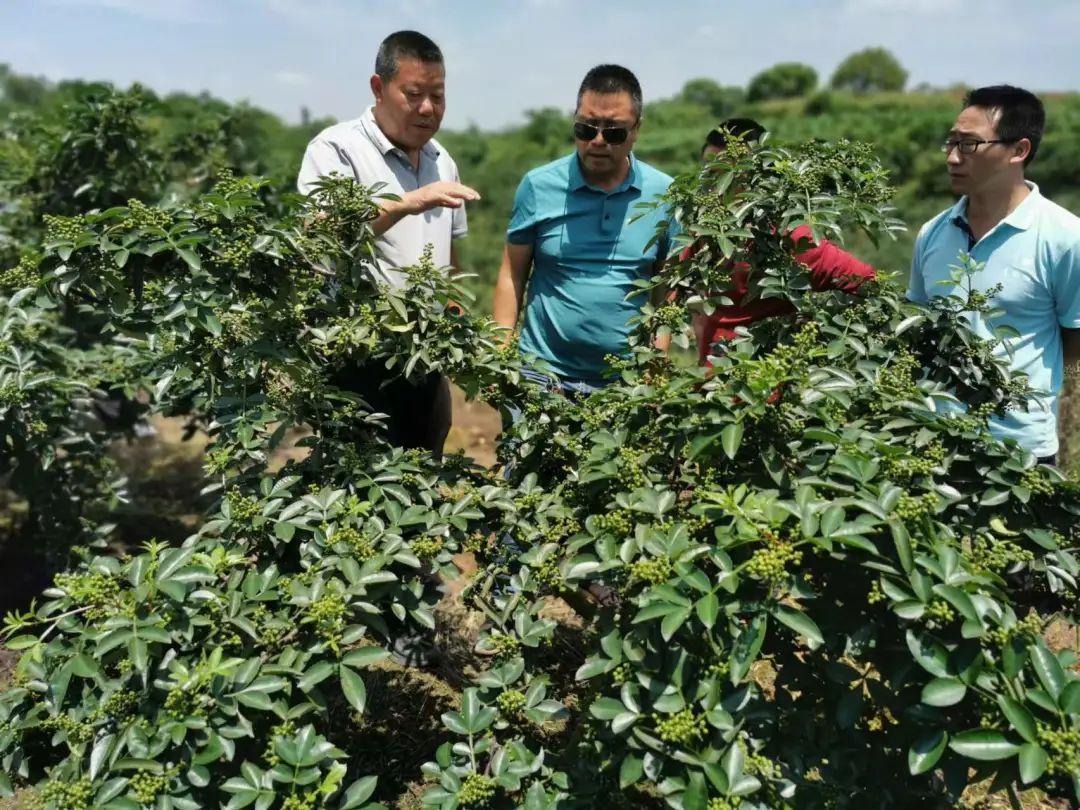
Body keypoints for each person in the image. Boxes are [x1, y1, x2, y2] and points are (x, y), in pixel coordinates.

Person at [297, 30, 479, 455]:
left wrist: (454, 311)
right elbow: (321, 236)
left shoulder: (442, 160)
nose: (429, 109)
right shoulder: (337, 150)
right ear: (378, 88)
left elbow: (449, 259)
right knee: (358, 485)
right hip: (356, 358)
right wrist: (407, 203)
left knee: (421, 475)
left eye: (438, 95)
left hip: (424, 357)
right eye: (414, 94)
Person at [907, 86, 1080, 464]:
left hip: (1019, 455)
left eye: (969, 145)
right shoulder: (933, 233)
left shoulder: (1065, 238)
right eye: (950, 143)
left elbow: (1073, 337)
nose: (953, 157)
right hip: (933, 443)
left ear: (1019, 151)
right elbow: (918, 329)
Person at [492, 64, 677, 396]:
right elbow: (512, 273)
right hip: (541, 376)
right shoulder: (539, 186)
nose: (598, 141)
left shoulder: (664, 194)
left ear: (637, 129)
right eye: (586, 128)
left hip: (626, 384)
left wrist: (656, 365)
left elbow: (666, 289)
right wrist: (499, 355)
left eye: (614, 131)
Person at [691, 119, 876, 364]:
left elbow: (870, 284)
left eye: (726, 173)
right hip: (709, 387)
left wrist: (819, 328)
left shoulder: (789, 238)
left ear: (757, 176)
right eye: (708, 170)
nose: (713, 184)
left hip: (766, 391)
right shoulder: (701, 230)